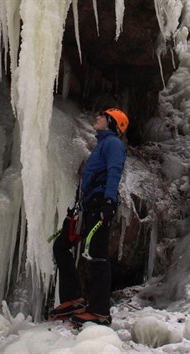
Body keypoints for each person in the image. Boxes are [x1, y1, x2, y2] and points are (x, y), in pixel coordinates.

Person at [48, 108, 129, 327]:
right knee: (61, 246)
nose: (97, 117)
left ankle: (100, 311)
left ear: (112, 123)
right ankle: (73, 300)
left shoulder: (113, 144)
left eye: (102, 116)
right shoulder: (101, 144)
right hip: (87, 207)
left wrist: (109, 202)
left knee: (97, 255)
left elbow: (114, 172)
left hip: (100, 204)